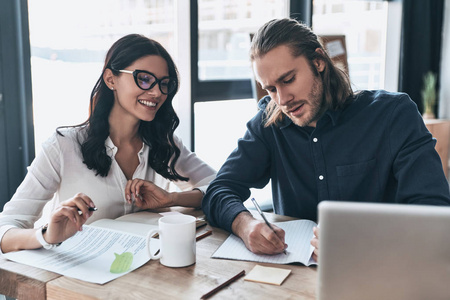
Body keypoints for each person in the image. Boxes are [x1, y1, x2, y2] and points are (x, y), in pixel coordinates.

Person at [202, 18, 450, 261]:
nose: (282, 99)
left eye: (288, 80)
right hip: (295, 281)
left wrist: (365, 240)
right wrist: (245, 225)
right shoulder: (269, 124)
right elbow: (219, 191)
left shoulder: (393, 115)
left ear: (318, 61)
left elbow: (435, 210)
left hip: (380, 270)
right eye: (271, 89)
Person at [0, 34, 216, 254]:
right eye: (144, 79)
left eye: (164, 84)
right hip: (75, 278)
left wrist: (172, 198)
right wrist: (47, 234)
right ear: (111, 79)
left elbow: (221, 187)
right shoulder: (63, 145)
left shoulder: (164, 143)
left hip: (143, 274)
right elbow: (4, 230)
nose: (157, 92)